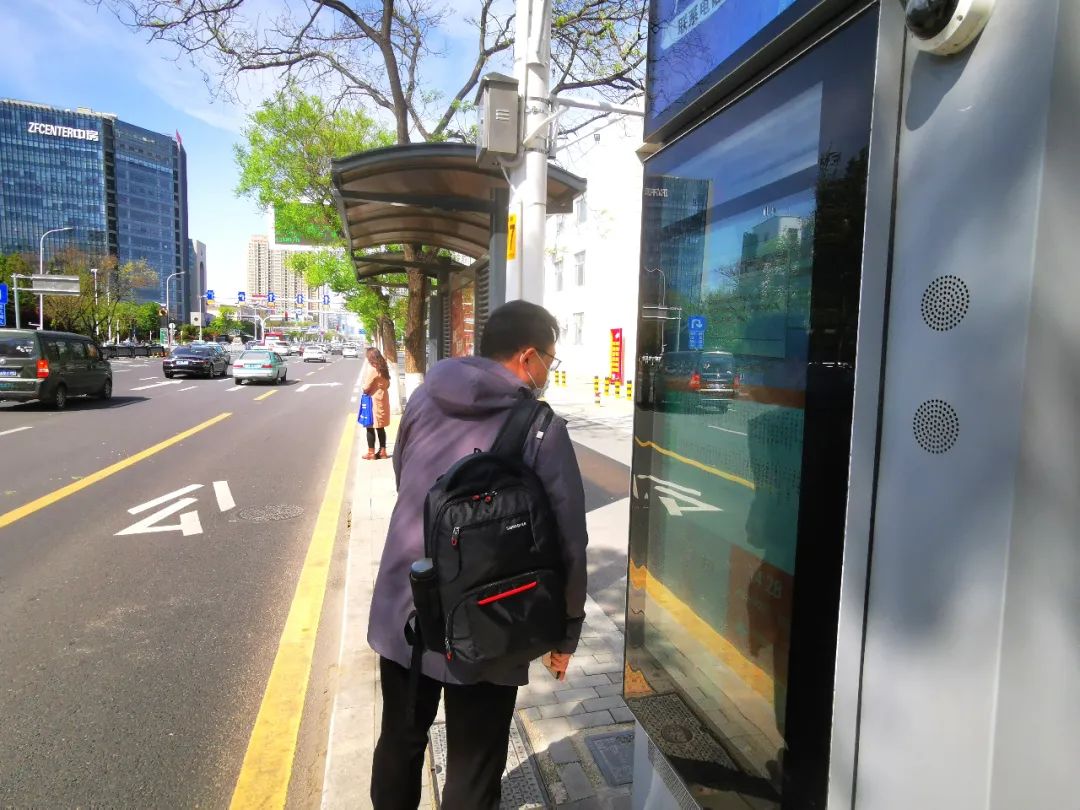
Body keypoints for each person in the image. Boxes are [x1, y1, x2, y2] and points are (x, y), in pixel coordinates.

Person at [368, 300, 588, 810]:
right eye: (549, 362)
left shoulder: (423, 397)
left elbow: (407, 481)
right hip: (492, 614)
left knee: (400, 742)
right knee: (473, 763)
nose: (547, 374)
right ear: (527, 356)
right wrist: (567, 628)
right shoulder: (540, 428)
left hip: (408, 602)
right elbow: (568, 542)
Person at [362, 347, 392, 460]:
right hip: (383, 398)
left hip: (373, 400)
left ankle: (371, 453)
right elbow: (388, 385)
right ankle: (383, 452)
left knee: (370, 426)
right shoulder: (384, 368)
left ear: (371, 357)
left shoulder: (373, 370)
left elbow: (365, 388)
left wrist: (365, 388)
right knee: (380, 427)